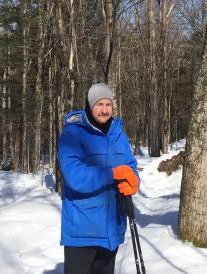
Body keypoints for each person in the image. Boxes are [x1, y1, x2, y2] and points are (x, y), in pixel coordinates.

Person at [58, 83, 140, 274]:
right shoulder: (72, 134)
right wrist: (113, 173)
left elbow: (129, 165)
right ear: (89, 106)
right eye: (99, 104)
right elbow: (75, 176)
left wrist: (133, 180)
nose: (104, 110)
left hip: (112, 228)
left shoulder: (118, 134)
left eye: (108, 105)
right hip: (82, 231)